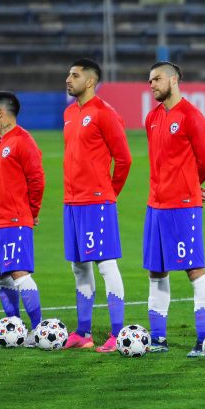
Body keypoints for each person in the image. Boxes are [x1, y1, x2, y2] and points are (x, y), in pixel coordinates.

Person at [142, 62, 205, 356]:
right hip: (155, 206)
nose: (151, 84)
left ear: (173, 80)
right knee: (156, 271)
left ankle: (204, 339)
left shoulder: (191, 116)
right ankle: (158, 339)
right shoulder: (152, 118)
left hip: (183, 207)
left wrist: (189, 185)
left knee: (194, 269)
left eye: (157, 79)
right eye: (149, 80)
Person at [62, 58, 132, 351]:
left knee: (105, 265)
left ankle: (118, 334)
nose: (68, 79)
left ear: (90, 81)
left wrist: (108, 194)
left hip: (96, 202)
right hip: (72, 202)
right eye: (69, 74)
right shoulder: (68, 113)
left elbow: (124, 159)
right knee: (79, 267)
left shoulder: (105, 113)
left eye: (75, 75)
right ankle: (83, 333)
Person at [0, 91, 45, 346]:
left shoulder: (23, 141)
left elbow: (37, 180)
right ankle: (14, 330)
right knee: (1, 277)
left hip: (14, 220)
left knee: (19, 274)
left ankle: (38, 330)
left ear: (0, 112)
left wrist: (32, 212)